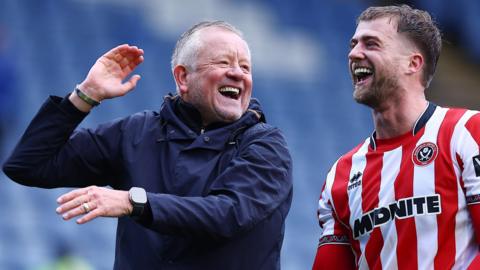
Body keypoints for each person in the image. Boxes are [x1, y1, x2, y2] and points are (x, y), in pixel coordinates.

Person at [3, 21, 293, 269]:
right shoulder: (137, 133)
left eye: (245, 67)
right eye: (223, 62)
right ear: (183, 77)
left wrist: (133, 201)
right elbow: (28, 165)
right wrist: (85, 95)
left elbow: (228, 213)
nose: (239, 73)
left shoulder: (265, 144)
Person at [312, 5, 480, 270]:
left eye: (371, 44)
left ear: (413, 63)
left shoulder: (468, 133)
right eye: (353, 44)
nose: (354, 53)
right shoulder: (341, 176)